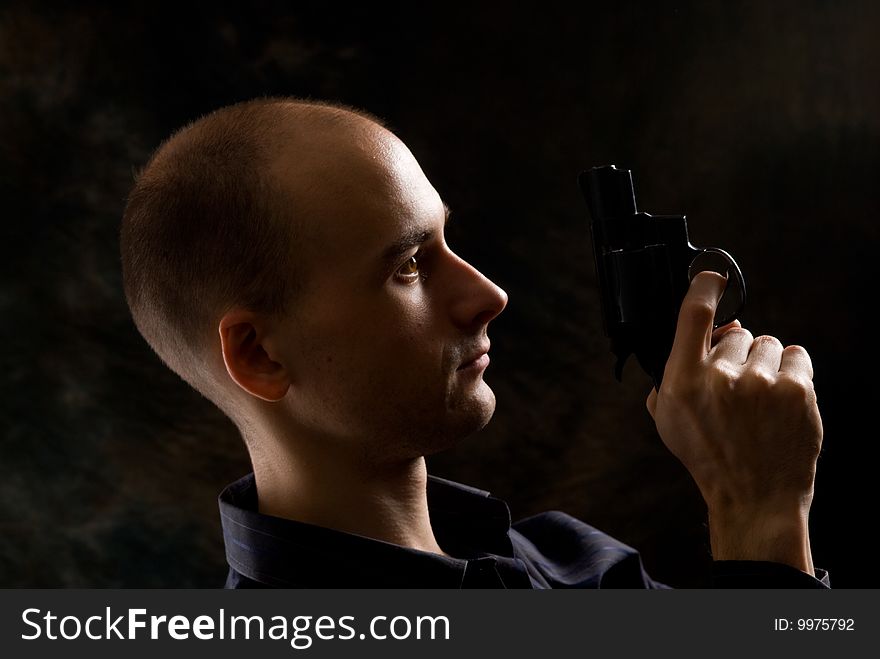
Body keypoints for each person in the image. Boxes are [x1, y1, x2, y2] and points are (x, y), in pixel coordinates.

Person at [119, 97, 827, 588]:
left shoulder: (571, 563)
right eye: (408, 266)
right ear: (260, 355)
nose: (489, 295)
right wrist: (761, 516)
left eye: (445, 240)